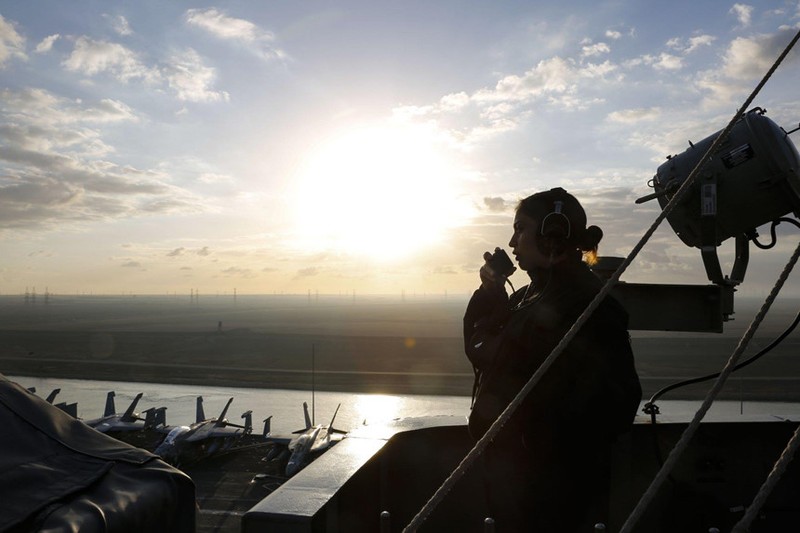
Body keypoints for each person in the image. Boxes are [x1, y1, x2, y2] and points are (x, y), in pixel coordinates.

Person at [464, 187, 641, 532]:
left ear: (552, 233)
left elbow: (615, 403)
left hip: (553, 495)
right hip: (518, 483)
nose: (513, 243)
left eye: (521, 228)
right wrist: (490, 291)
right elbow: (483, 349)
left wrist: (537, 440)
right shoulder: (536, 294)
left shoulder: (588, 306)